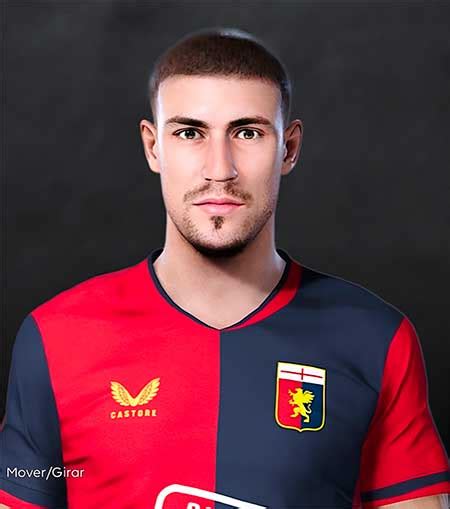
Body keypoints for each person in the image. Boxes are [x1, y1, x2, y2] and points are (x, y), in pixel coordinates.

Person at [0, 27, 448, 509]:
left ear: (289, 148)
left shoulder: (375, 338)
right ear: (153, 147)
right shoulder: (56, 337)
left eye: (248, 133)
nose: (220, 168)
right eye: (189, 133)